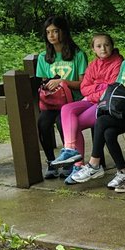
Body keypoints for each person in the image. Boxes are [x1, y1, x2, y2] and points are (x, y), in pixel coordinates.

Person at [66, 34, 125, 188]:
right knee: (108, 133)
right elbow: (118, 86)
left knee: (101, 121)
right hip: (122, 108)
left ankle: (94, 164)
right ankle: (122, 172)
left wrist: (122, 107)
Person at [50, 33, 123, 169]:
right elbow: (84, 87)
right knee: (66, 109)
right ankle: (71, 151)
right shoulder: (93, 64)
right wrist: (99, 87)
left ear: (112, 46)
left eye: (106, 45)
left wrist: (93, 91)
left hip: (104, 104)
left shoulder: (118, 62)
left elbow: (111, 89)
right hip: (91, 100)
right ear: (93, 49)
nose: (103, 49)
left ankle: (77, 165)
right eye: (99, 46)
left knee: (74, 123)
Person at [36, 16, 87, 179]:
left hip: (72, 100)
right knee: (43, 123)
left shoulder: (78, 55)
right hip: (52, 102)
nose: (51, 35)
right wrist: (49, 85)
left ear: (63, 32)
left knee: (61, 121)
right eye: (48, 32)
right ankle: (51, 161)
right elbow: (44, 83)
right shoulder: (44, 57)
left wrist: (62, 81)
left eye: (55, 31)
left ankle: (69, 161)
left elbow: (82, 84)